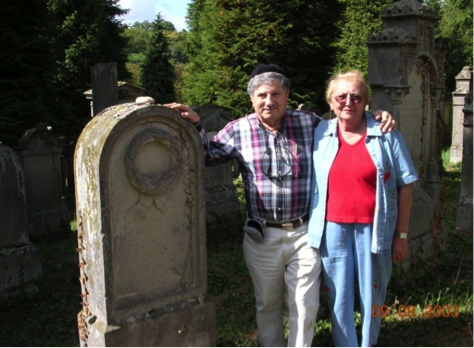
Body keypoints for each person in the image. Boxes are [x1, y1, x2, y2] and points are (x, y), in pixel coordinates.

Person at [166, 64, 395, 347]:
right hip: (261, 235)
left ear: (286, 95)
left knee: (305, 303)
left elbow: (347, 119)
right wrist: (195, 125)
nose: (269, 101)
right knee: (267, 304)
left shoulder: (310, 124)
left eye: (276, 93)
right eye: (261, 95)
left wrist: (376, 116)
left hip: (304, 233)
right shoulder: (237, 130)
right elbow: (207, 156)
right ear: (252, 99)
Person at [307, 70, 418, 347]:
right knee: (338, 295)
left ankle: (368, 343)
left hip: (375, 229)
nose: (348, 102)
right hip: (332, 230)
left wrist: (401, 237)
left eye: (356, 97)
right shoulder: (319, 132)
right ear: (330, 101)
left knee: (373, 294)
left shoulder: (386, 132)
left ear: (366, 101)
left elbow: (405, 185)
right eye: (341, 96)